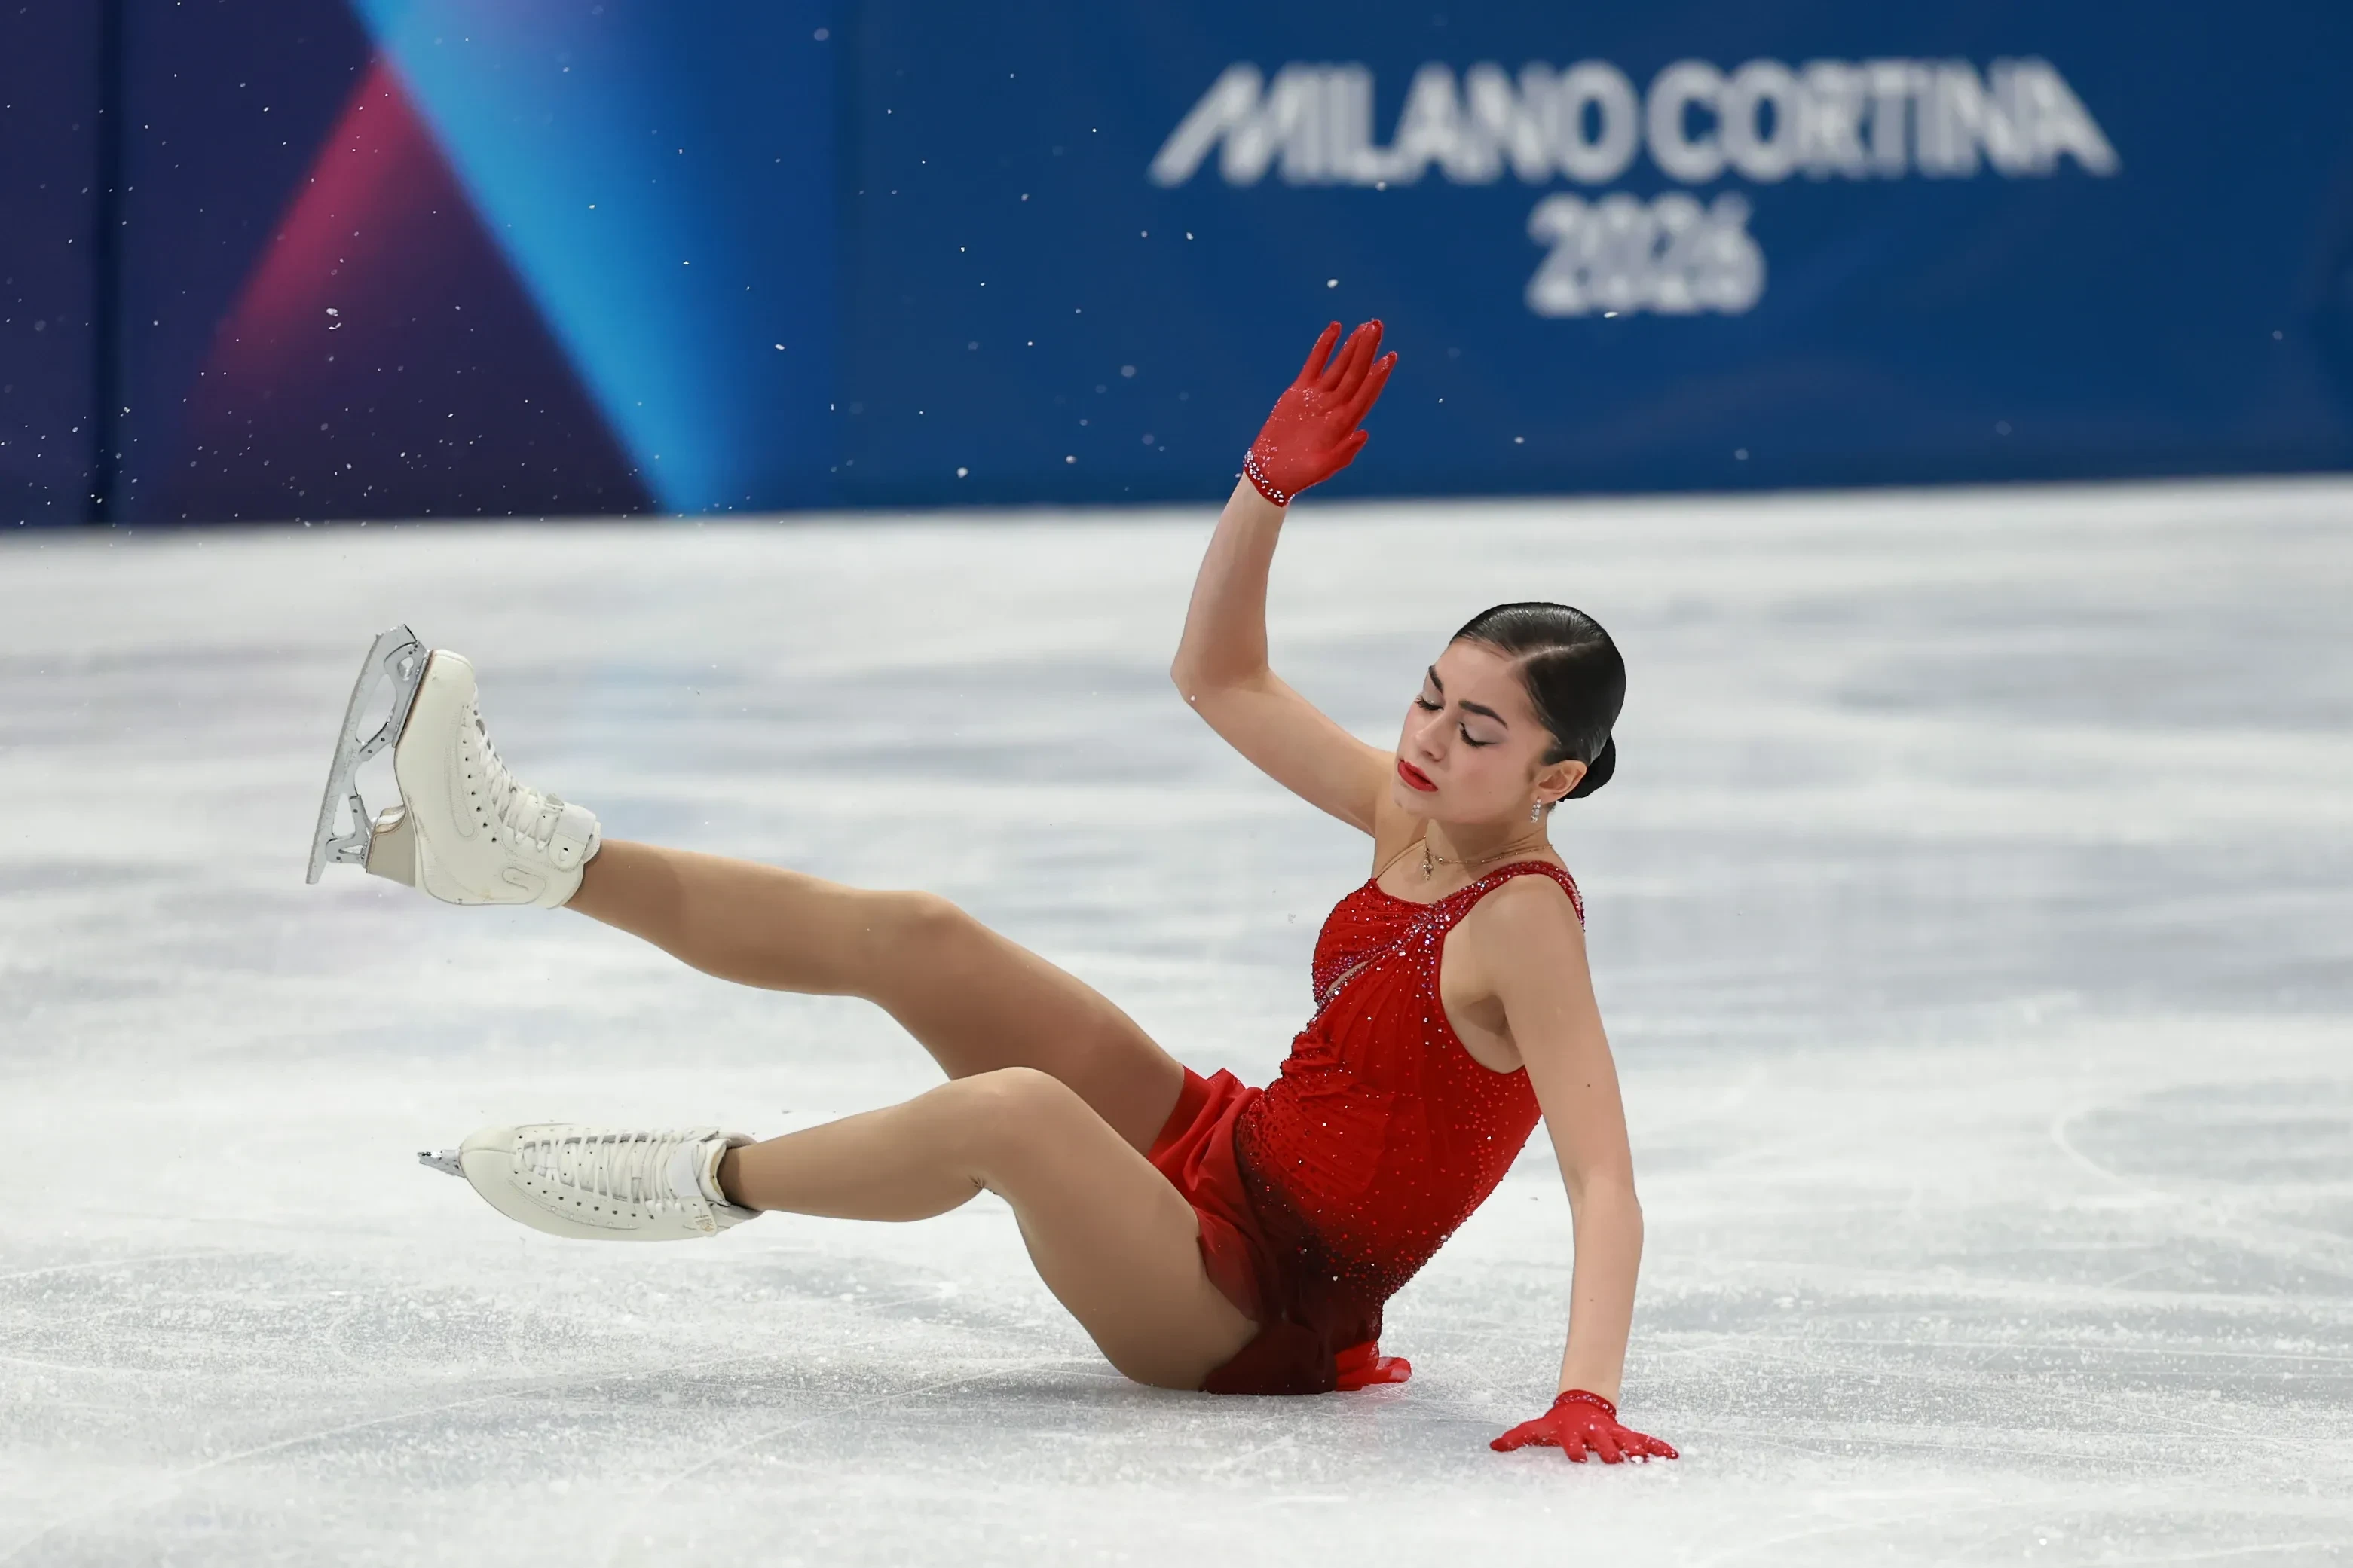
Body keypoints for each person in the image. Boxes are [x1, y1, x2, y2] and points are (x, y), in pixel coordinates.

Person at [314, 319, 1676, 1463]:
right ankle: (526, 858)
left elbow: (1602, 1173)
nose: (1427, 739)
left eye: (1475, 731)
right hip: (1225, 1154)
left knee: (1012, 1115)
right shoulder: (1413, 809)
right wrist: (1265, 486)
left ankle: (696, 1179)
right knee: (922, 935)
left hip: (1253, 1306)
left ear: (1554, 779)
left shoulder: (1521, 921)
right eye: (1428, 697)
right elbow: (1219, 677)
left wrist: (1586, 1396)